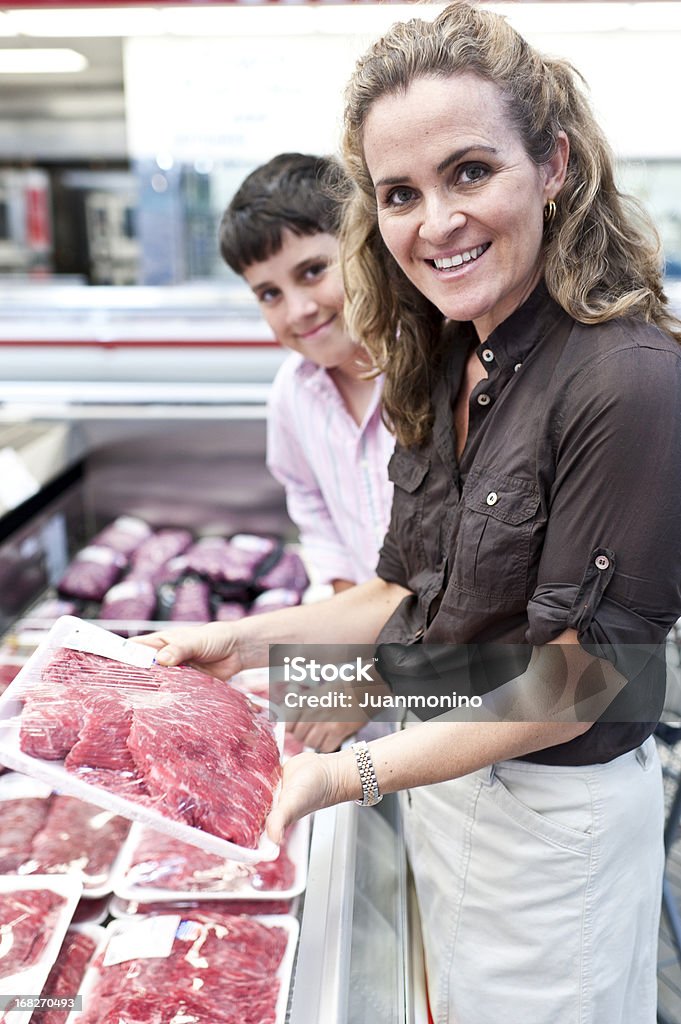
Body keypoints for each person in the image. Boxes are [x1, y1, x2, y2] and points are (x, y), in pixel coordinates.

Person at [139, 5, 681, 1022]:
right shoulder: (448, 352)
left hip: (554, 819)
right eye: (401, 193)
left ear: (554, 164)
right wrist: (237, 642)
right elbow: (401, 592)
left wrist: (348, 771)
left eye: (470, 172)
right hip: (449, 774)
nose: (435, 222)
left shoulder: (630, 377)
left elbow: (581, 679)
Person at [218, 152, 394, 594]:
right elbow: (307, 499)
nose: (298, 310)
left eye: (313, 271)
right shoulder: (291, 394)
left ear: (363, 245)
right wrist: (340, 588)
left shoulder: (436, 366)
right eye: (270, 293)